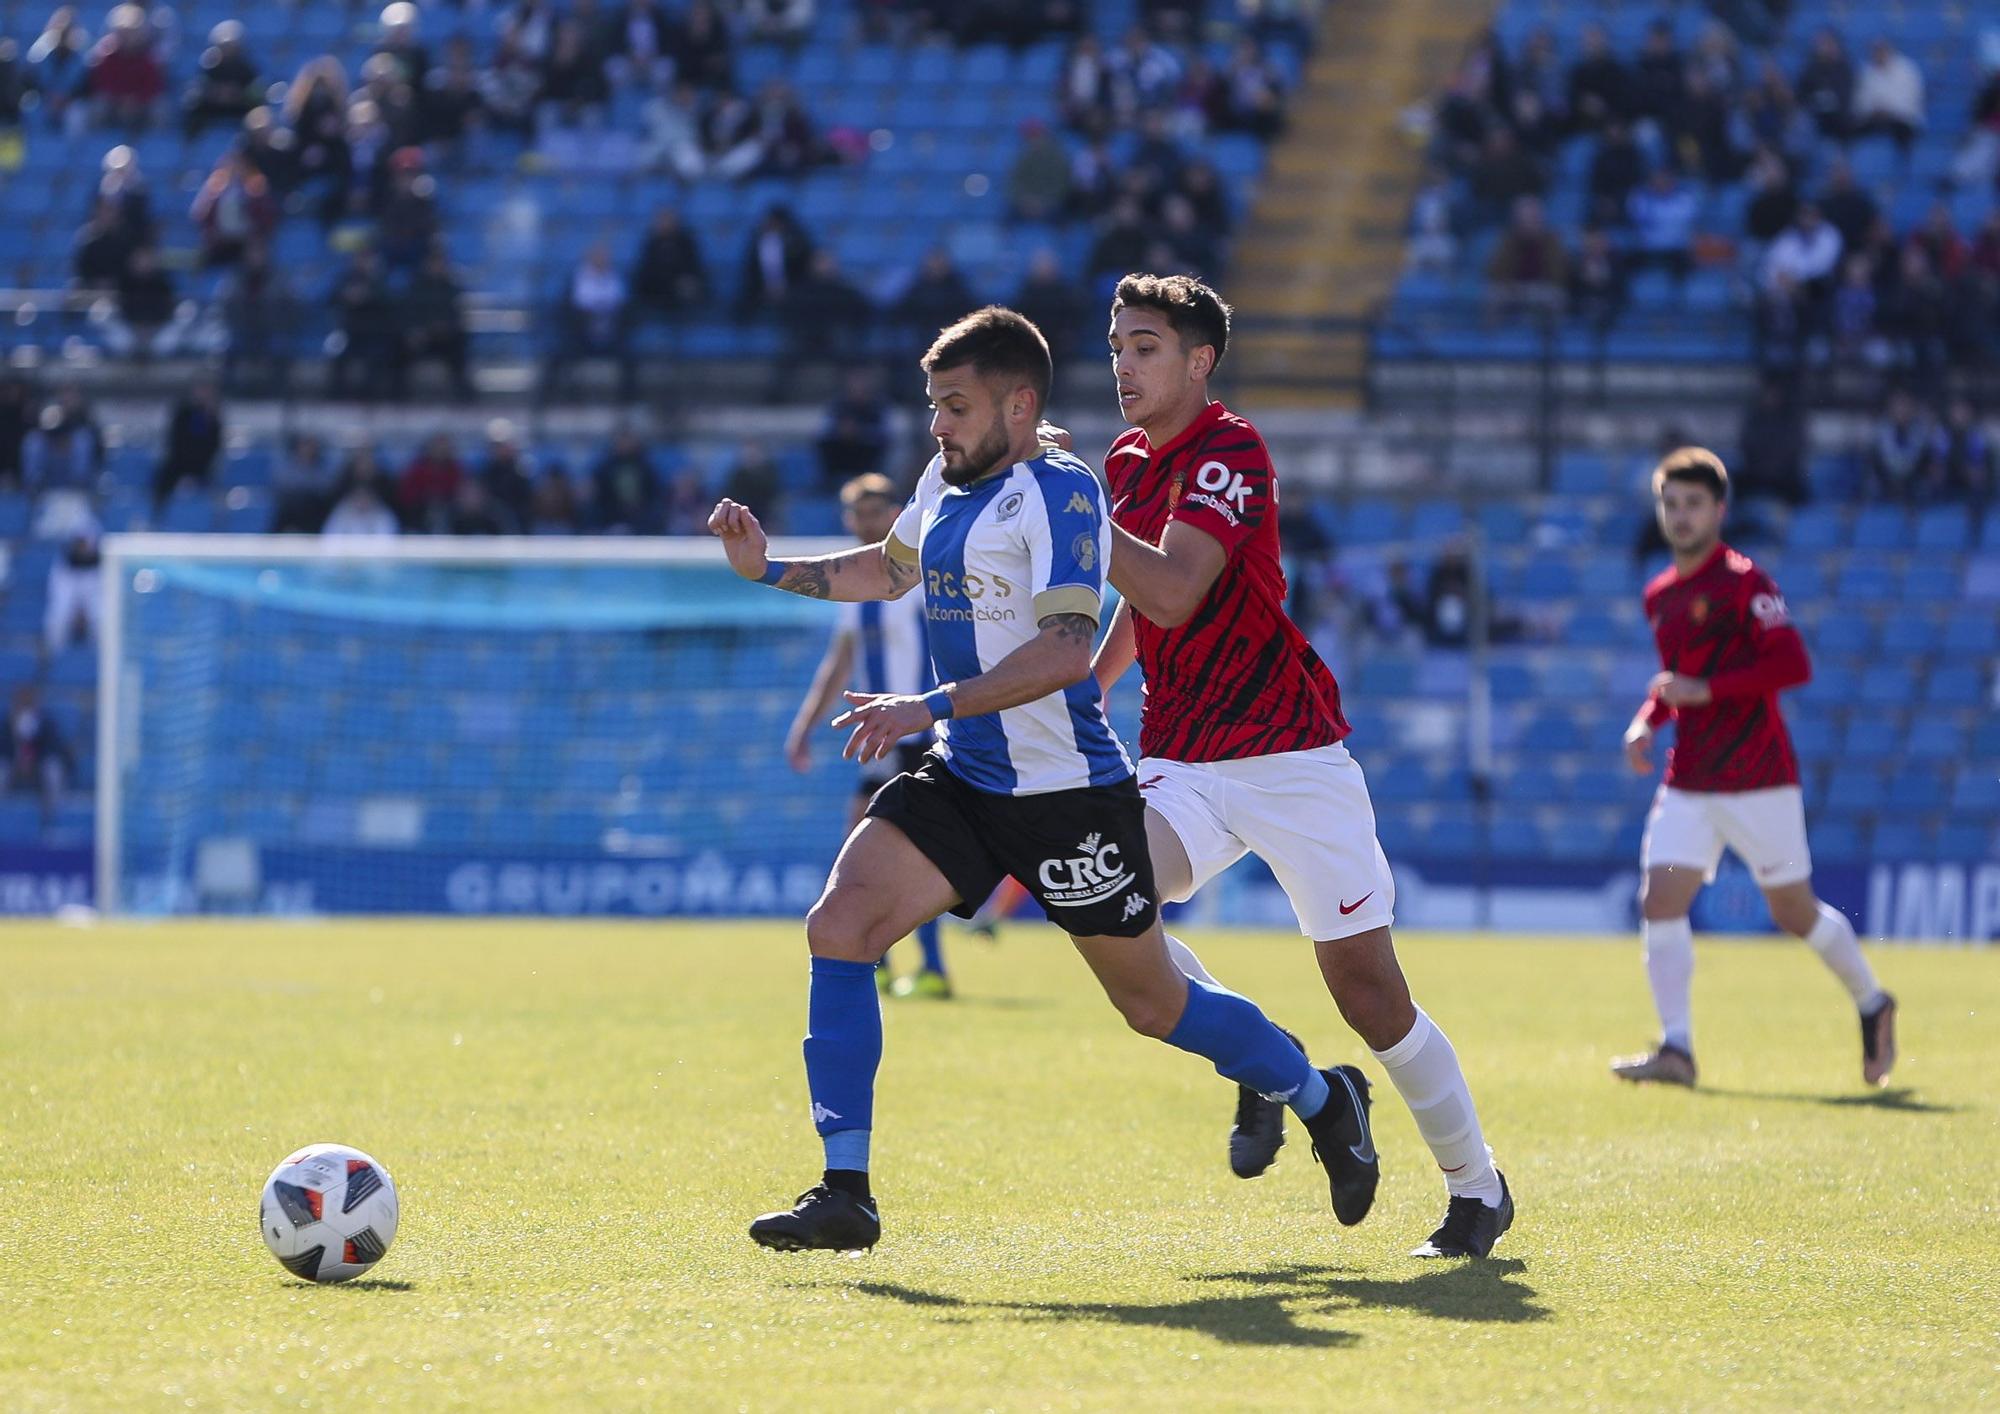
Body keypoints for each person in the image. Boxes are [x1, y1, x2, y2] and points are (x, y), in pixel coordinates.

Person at [713, 307, 1371, 1253]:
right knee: (840, 924)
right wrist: (767, 567)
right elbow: (888, 571)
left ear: (1020, 406)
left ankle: (1319, 1093)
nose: (937, 425)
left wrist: (926, 706)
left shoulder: (1061, 493)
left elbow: (1069, 651)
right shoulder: (943, 477)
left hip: (1067, 795)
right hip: (965, 776)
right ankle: (845, 1192)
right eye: (935, 405)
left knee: (1155, 1007)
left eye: (956, 406)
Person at [1092, 273, 1510, 1258]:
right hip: (1182, 758)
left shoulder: (1228, 450)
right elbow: (1135, 602)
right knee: (1103, 899)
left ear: (1198, 362)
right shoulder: (1119, 460)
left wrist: (1076, 516)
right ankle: (1265, 1057)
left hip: (1289, 754)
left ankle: (1475, 1187)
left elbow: (1175, 588)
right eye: (1115, 345)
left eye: (1144, 345)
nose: (1122, 363)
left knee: (1369, 994)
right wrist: (1086, 677)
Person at [1616, 448, 1896, 1090]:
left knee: (1793, 912)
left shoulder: (1747, 583)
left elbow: (1793, 666)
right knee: (1660, 899)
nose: (1681, 516)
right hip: (1688, 780)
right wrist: (1645, 722)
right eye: (1671, 504)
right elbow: (1674, 683)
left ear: (1720, 510)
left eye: (1694, 504)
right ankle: (1677, 1050)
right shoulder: (1658, 594)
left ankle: (1873, 1001)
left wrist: (1703, 691)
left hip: (1759, 776)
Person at [784, 474, 951, 999]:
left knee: (907, 849)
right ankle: (885, 961)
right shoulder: (855, 588)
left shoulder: (917, 579)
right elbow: (839, 664)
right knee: (866, 845)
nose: (868, 520)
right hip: (881, 735)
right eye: (859, 512)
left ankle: (927, 966)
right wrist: (804, 728)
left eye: (878, 510)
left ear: (897, 513)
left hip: (920, 729)